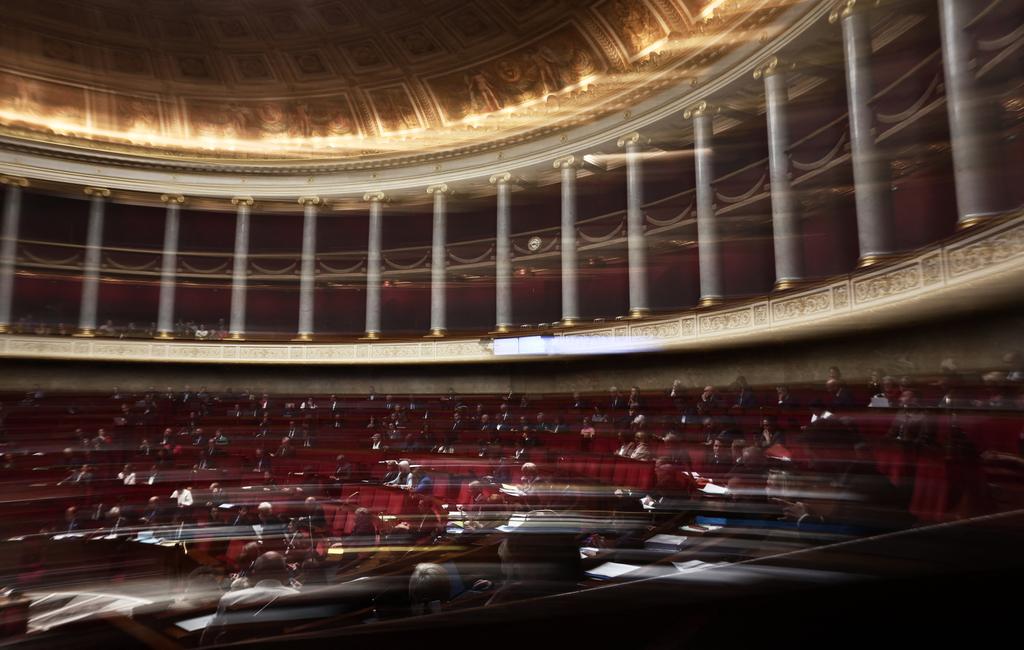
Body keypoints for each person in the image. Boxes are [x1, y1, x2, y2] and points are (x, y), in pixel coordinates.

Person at [201, 551, 298, 646]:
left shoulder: (230, 599)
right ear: (284, 573)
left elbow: (209, 635)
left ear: (254, 573)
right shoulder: (297, 597)